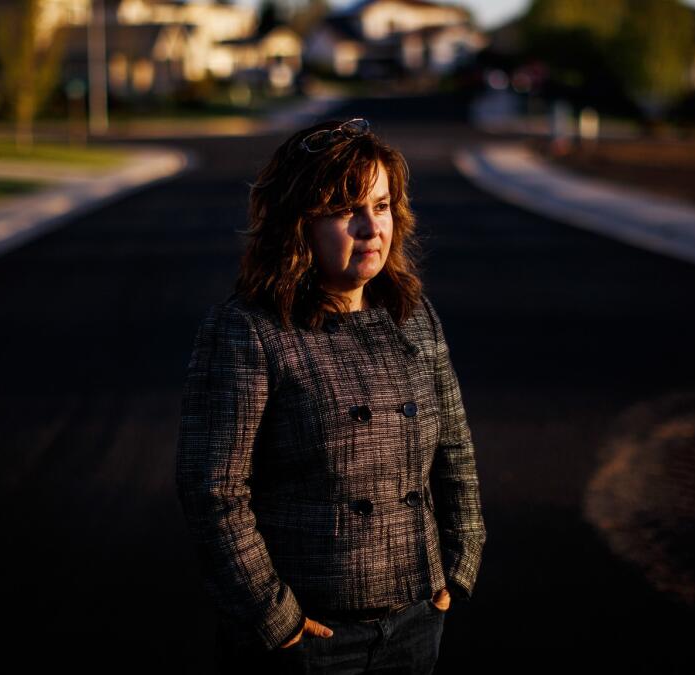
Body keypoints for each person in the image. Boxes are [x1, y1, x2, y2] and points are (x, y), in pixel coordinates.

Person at [175, 118, 486, 674]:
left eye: (383, 205)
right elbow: (213, 490)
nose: (372, 228)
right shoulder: (248, 330)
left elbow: (455, 449)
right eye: (347, 210)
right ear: (298, 225)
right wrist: (275, 617)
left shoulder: (412, 318)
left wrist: (459, 564)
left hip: (414, 621)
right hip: (309, 641)